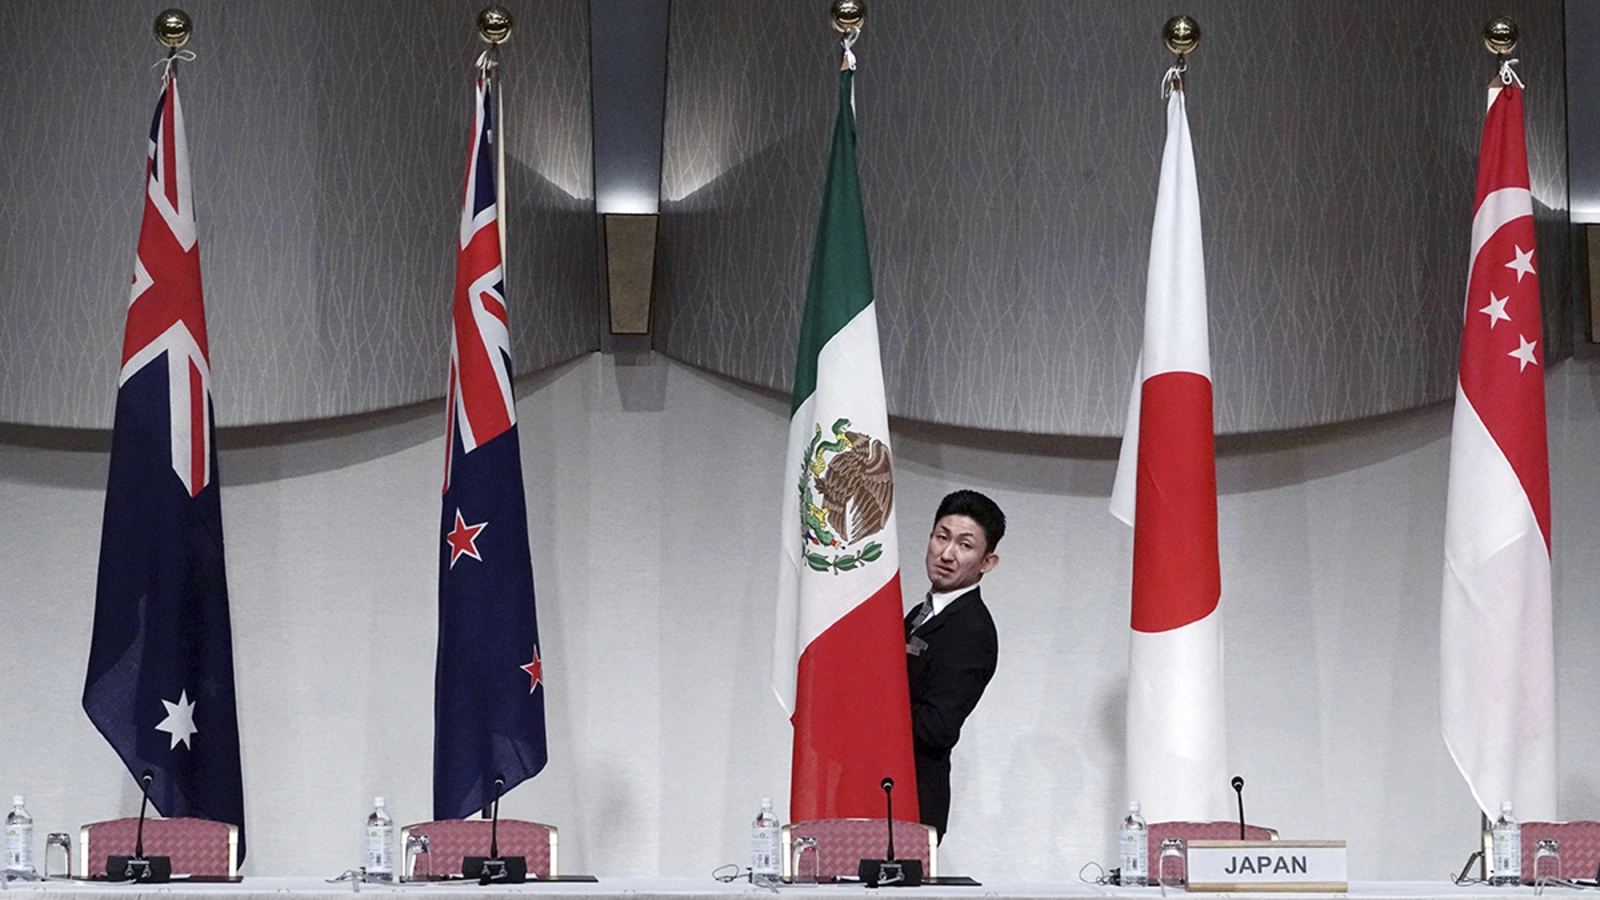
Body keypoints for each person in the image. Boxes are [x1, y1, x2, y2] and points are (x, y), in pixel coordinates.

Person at [904, 489, 1003, 839]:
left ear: (987, 562)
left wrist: (870, 707)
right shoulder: (919, 613)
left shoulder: (971, 629)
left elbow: (937, 728)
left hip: (911, 805)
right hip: (878, 789)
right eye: (941, 537)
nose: (946, 554)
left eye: (964, 545)